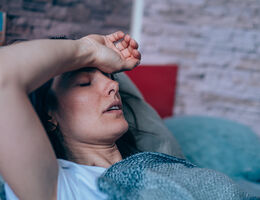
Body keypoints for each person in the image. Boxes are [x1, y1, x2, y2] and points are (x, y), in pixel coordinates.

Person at [0, 31, 141, 200]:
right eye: (84, 83)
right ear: (49, 115)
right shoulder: (56, 186)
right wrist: (89, 49)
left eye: (109, 76)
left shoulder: (154, 167)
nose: (114, 85)